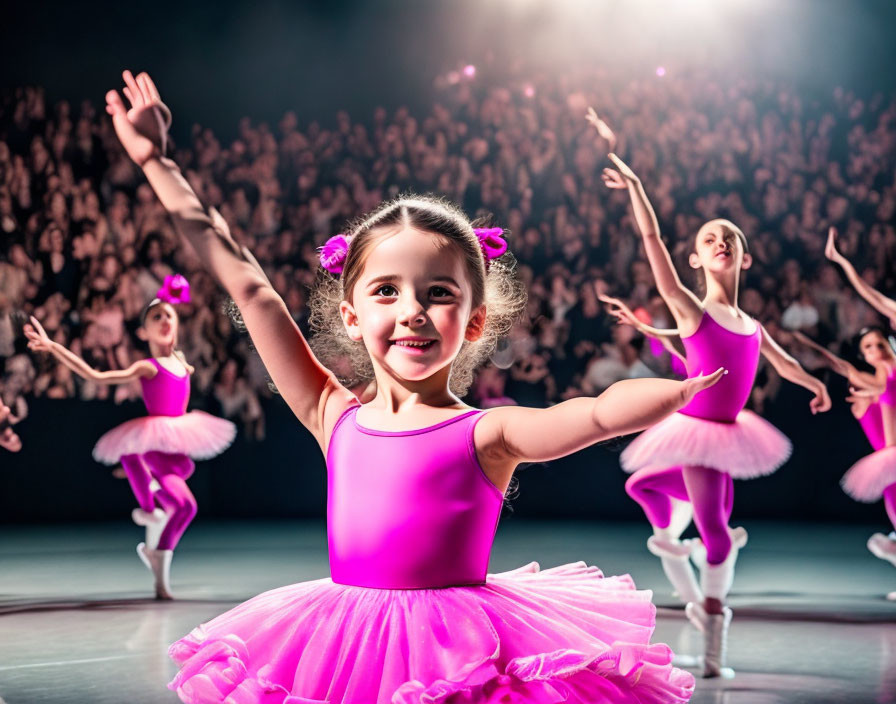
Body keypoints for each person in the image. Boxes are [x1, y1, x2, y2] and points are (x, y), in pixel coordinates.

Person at [106, 70, 727, 703]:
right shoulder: (331, 412)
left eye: (438, 293)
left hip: (458, 648)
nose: (412, 311)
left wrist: (677, 394)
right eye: (386, 291)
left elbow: (594, 414)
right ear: (351, 315)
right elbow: (247, 284)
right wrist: (157, 162)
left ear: (474, 319)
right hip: (345, 645)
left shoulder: (490, 432)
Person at [600, 147, 830, 677]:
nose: (720, 242)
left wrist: (814, 380)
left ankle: (687, 582)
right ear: (696, 260)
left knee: (667, 499)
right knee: (717, 533)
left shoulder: (751, 323)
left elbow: (783, 360)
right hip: (699, 433)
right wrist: (637, 187)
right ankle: (710, 642)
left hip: (729, 434)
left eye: (730, 237)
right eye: (708, 239)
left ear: (745, 258)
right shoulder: (691, 307)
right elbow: (653, 242)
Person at [24, 274, 235, 599]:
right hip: (156, 442)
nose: (164, 319)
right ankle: (154, 537)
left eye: (169, 315)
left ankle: (152, 510)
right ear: (143, 331)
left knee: (180, 506)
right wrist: (53, 347)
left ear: (176, 324)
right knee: (185, 506)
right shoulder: (147, 367)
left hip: (177, 444)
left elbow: (184, 374)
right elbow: (95, 375)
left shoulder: (182, 362)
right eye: (156, 316)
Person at [794, 328, 896, 599]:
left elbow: (873, 378)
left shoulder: (889, 376)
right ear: (864, 354)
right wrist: (807, 345)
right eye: (870, 346)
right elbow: (840, 366)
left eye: (881, 343)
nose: (878, 349)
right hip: (888, 466)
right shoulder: (871, 388)